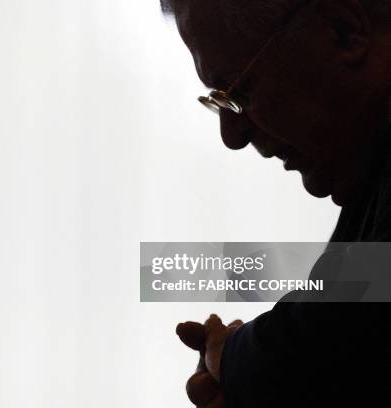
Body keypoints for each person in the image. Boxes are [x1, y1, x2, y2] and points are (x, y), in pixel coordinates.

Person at [161, 0, 391, 406]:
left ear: (343, 30)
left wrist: (231, 358)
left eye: (239, 90)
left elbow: (333, 333)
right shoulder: (369, 173)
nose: (232, 136)